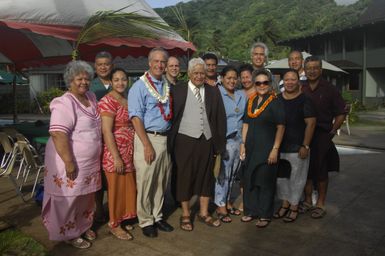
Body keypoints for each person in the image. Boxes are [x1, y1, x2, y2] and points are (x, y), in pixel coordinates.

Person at [42, 60, 101, 249]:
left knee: (85, 197)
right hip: (71, 161)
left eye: (86, 78)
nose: (84, 81)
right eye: (79, 78)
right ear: (69, 80)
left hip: (89, 163)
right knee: (69, 198)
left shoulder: (91, 97)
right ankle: (68, 233)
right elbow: (58, 133)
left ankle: (82, 226)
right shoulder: (65, 102)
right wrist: (68, 162)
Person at [168, 57, 226, 231]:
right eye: (196, 73)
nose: (199, 76)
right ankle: (186, 213)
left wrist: (219, 144)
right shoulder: (177, 90)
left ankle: (203, 212)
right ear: (189, 74)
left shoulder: (213, 91)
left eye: (202, 73)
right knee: (184, 176)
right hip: (184, 139)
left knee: (206, 176)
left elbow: (219, 118)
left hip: (207, 140)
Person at [128, 47, 174, 238]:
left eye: (163, 61)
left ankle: (157, 215)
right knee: (146, 181)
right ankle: (145, 220)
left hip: (165, 138)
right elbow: (136, 117)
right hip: (147, 138)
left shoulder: (165, 84)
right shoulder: (139, 86)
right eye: (156, 61)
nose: (159, 64)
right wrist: (147, 145)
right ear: (149, 63)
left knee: (161, 181)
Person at [301, 56, 347, 218]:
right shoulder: (302, 87)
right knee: (305, 170)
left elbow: (341, 113)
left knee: (321, 171)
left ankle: (320, 203)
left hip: (322, 134)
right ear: (304, 70)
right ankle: (307, 201)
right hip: (304, 135)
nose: (312, 71)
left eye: (315, 68)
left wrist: (332, 132)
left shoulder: (330, 89)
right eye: (309, 68)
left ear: (320, 70)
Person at [240, 69, 285, 228]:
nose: (261, 85)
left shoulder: (275, 101)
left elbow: (280, 127)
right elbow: (245, 124)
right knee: (250, 179)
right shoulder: (251, 101)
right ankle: (251, 211)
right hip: (251, 148)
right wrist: (242, 145)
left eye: (265, 82)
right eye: (258, 82)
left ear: (270, 83)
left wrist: (275, 148)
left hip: (267, 149)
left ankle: (265, 214)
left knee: (265, 182)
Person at [98, 68, 136, 240]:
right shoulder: (108, 101)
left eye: (123, 79)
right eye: (116, 80)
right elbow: (106, 131)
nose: (120, 83)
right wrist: (116, 157)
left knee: (128, 188)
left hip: (128, 152)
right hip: (115, 153)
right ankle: (114, 224)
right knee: (116, 190)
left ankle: (124, 217)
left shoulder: (126, 100)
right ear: (111, 82)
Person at [275, 69, 316, 223]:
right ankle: (284, 205)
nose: (290, 82)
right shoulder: (277, 100)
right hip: (280, 148)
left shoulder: (305, 100)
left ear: (298, 82)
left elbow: (311, 123)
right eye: (287, 79)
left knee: (297, 180)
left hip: (298, 148)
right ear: (283, 82)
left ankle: (293, 206)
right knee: (281, 179)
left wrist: (305, 145)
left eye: (293, 79)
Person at [214, 66, 246, 223]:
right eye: (229, 77)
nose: (232, 81)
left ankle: (227, 201)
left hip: (238, 140)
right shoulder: (217, 93)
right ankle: (220, 205)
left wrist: (243, 142)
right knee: (223, 174)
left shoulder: (241, 95)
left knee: (233, 173)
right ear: (222, 78)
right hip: (224, 140)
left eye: (235, 78)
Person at [90, 51, 113, 224]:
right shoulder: (89, 86)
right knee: (97, 175)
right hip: (96, 137)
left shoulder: (119, 83)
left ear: (111, 65)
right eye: (100, 64)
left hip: (116, 137)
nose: (103, 67)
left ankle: (115, 209)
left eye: (106, 63)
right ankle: (98, 209)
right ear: (95, 67)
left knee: (112, 176)